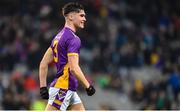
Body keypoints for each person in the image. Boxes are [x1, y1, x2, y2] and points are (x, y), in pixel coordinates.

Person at [39, 2, 95, 111]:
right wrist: (88, 86)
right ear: (71, 16)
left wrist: (43, 87)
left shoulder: (57, 38)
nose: (84, 19)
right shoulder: (73, 39)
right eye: (81, 16)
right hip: (63, 88)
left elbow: (43, 63)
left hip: (69, 89)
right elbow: (74, 68)